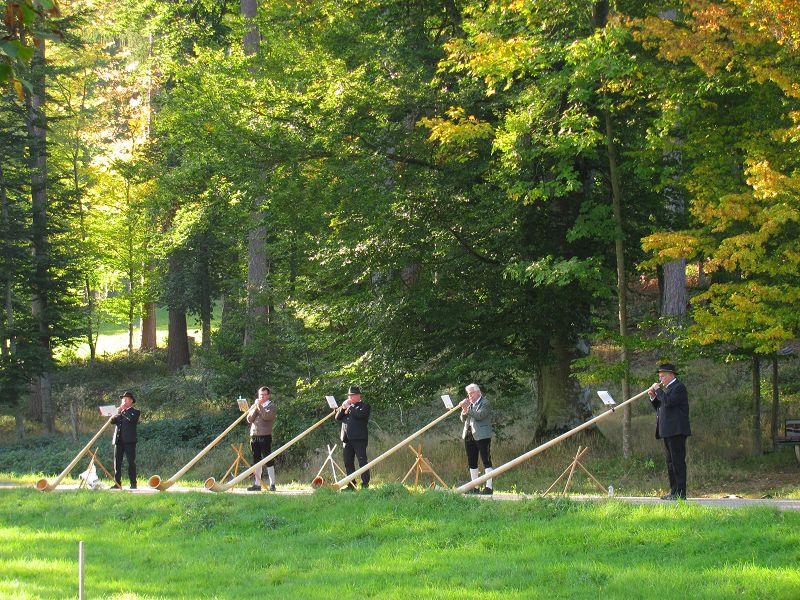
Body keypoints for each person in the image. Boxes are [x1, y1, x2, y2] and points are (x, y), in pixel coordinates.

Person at [648, 363, 691, 500]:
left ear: (670, 375)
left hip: (677, 430)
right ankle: (673, 491)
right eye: (659, 377)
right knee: (670, 463)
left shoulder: (679, 387)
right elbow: (661, 408)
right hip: (667, 430)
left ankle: (681, 493)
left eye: (662, 376)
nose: (660, 379)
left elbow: (669, 403)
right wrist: (653, 397)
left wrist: (658, 391)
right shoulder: (666, 389)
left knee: (678, 462)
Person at [459, 383, 493, 495]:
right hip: (469, 435)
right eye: (469, 394)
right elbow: (463, 419)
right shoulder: (470, 404)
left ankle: (489, 488)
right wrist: (464, 409)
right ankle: (475, 487)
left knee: (486, 461)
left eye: (472, 393)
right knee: (472, 462)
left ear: (478, 392)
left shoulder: (485, 403)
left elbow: (480, 416)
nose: (470, 396)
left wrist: (466, 409)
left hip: (482, 436)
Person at [336, 385, 371, 489]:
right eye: (349, 395)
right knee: (348, 463)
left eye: (353, 395)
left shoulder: (364, 406)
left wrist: (350, 407)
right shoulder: (347, 407)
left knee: (362, 462)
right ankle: (351, 485)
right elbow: (337, 418)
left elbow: (360, 415)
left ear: (358, 396)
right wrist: (343, 408)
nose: (350, 397)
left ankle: (365, 484)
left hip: (359, 439)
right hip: (347, 439)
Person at [246, 386, 277, 492]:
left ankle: (272, 484)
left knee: (268, 459)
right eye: (260, 395)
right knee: (256, 460)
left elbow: (267, 417)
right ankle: (257, 484)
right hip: (254, 436)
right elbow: (249, 419)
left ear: (268, 395)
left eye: (264, 395)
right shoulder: (256, 405)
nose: (262, 397)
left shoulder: (272, 406)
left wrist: (259, 406)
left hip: (265, 436)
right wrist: (255, 407)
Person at [111, 391, 140, 490]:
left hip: (129, 441)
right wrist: (115, 413)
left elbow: (131, 420)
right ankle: (117, 483)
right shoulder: (119, 412)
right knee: (117, 463)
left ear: (131, 401)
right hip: (118, 441)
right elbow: (112, 421)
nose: (124, 401)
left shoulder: (135, 412)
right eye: (123, 399)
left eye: (126, 399)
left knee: (131, 462)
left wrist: (122, 411)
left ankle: (133, 483)